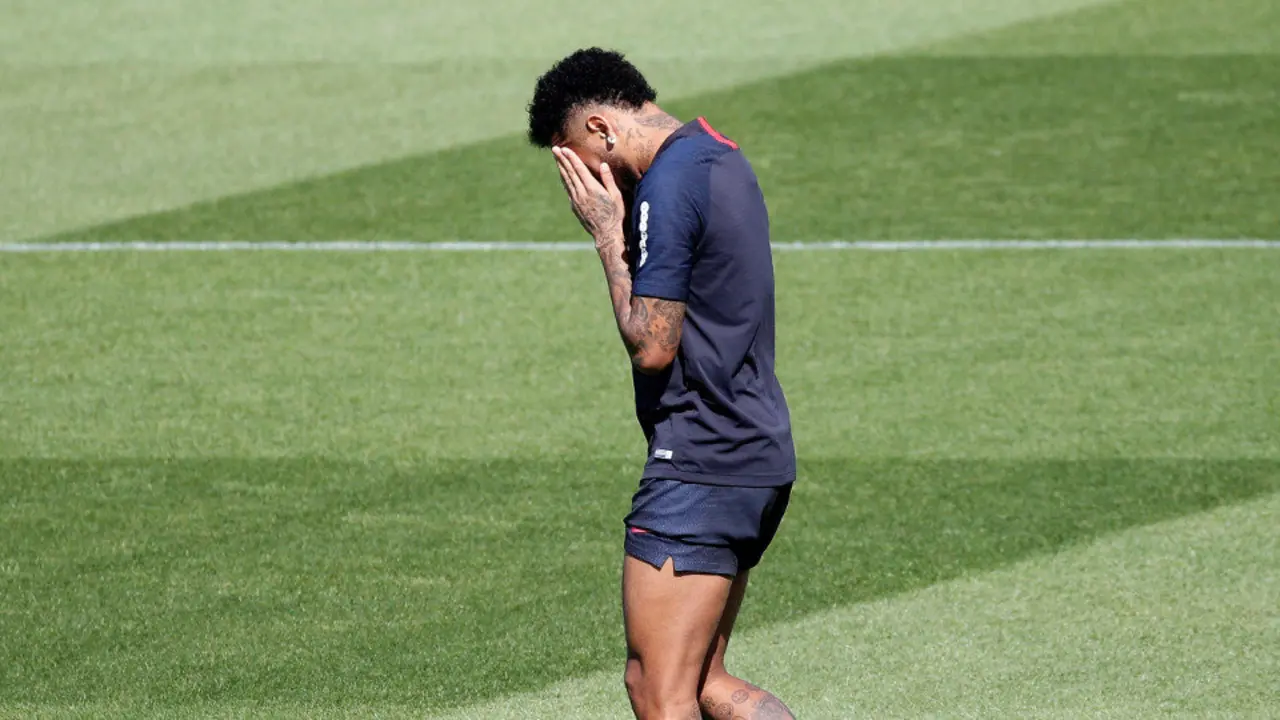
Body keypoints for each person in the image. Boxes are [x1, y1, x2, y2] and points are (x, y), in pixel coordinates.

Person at [527, 48, 798, 720]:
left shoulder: (669, 185)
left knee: (659, 692)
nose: (583, 183)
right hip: (750, 452)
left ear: (600, 129)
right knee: (708, 682)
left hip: (701, 463)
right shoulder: (718, 157)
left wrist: (607, 235)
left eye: (573, 160)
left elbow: (653, 344)